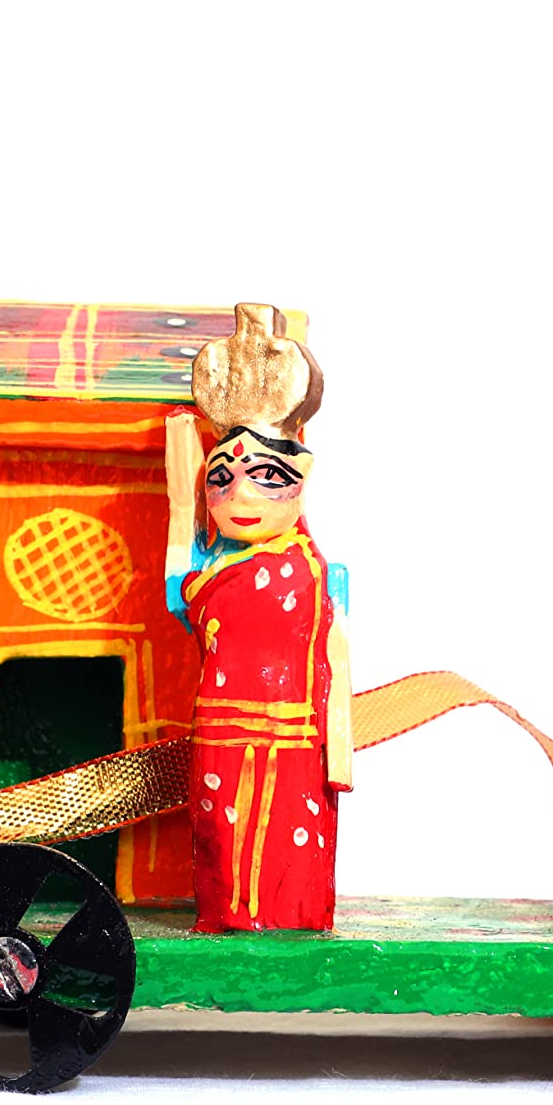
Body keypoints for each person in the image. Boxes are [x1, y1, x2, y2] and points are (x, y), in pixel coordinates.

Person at [164, 305, 352, 932]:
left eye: (266, 476)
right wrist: (178, 497)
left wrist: (340, 753)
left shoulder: (313, 572)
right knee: (220, 839)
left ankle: (286, 920)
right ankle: (224, 917)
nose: (240, 496)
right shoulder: (213, 573)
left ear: (302, 477)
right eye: (222, 479)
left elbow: (337, 661)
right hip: (220, 730)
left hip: (292, 738)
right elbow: (180, 595)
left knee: (285, 855)